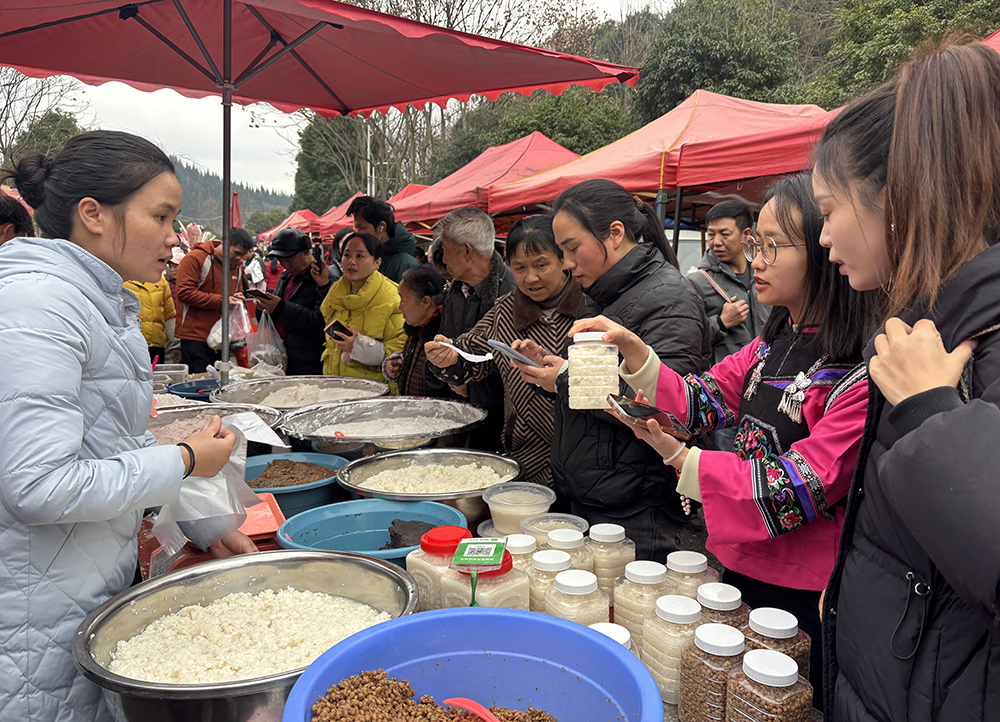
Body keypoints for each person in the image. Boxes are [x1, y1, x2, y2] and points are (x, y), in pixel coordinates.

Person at [575, 175, 874, 694]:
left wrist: (683, 461)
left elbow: (801, 485)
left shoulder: (859, 371)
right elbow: (702, 399)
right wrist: (634, 350)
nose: (756, 261)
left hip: (805, 587)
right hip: (739, 563)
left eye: (772, 246)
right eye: (756, 243)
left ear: (824, 249)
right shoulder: (769, 346)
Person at [0, 130, 254, 722]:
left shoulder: (95, 301)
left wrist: (205, 521)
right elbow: (38, 485)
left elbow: (113, 443)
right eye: (160, 216)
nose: (173, 237)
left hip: (81, 586)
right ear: (93, 214)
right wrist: (185, 461)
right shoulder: (38, 305)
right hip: (34, 611)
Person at [811, 41, 1000, 721]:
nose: (822, 239)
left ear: (895, 197)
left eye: (827, 210)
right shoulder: (924, 333)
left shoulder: (960, 353)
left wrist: (932, 416)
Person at [511, 179, 711, 561]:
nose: (567, 264)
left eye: (572, 248)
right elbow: (600, 382)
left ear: (615, 234)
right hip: (597, 493)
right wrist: (554, 371)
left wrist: (566, 379)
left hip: (637, 504)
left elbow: (670, 412)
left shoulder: (670, 299)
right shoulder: (604, 294)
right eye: (562, 251)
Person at [426, 216, 583, 487]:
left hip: (584, 455)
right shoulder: (505, 310)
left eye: (541, 265)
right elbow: (469, 352)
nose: (530, 277)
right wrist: (448, 356)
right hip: (525, 453)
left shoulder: (592, 307)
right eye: (520, 267)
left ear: (563, 260)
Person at [428, 207, 516, 452]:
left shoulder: (512, 294)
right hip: (460, 418)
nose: (444, 259)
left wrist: (471, 387)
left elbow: (514, 368)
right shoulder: (457, 290)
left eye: (445, 249)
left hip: (499, 430)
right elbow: (447, 343)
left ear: (466, 250)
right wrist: (441, 363)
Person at [689, 200, 771, 450]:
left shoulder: (764, 274)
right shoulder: (698, 283)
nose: (716, 242)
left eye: (724, 234)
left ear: (746, 235)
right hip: (728, 394)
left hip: (766, 391)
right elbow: (688, 338)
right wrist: (721, 323)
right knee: (729, 459)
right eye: (711, 234)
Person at [316, 232, 406, 384]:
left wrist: (358, 347)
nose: (351, 261)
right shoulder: (336, 291)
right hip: (336, 383)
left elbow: (400, 349)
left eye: (360, 256)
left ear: (377, 262)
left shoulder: (392, 297)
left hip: (373, 388)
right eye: (347, 255)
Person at [250, 227, 332, 376]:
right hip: (285, 361)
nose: (286, 266)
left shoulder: (324, 279)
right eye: (281, 261)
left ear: (306, 253)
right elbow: (275, 315)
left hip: (311, 366)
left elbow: (320, 323)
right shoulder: (285, 277)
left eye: (289, 260)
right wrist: (263, 307)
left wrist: (280, 307)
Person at [175, 226, 252, 373]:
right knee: (198, 380)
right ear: (225, 243)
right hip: (196, 336)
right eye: (236, 253)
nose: (239, 258)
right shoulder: (196, 258)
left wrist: (238, 297)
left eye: (242, 255)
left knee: (220, 380)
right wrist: (222, 301)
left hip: (222, 338)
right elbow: (184, 293)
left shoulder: (236, 266)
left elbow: (237, 291)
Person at [384, 265, 450, 396]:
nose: (400, 307)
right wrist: (397, 365)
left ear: (425, 302)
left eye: (403, 300)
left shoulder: (442, 338)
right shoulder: (416, 329)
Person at [347, 196, 420, 283]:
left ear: (382, 227)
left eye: (362, 228)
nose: (358, 234)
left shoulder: (406, 265)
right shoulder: (367, 258)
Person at [124, 273, 177, 364]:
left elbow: (169, 316)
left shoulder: (160, 281)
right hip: (129, 346)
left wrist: (175, 345)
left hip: (156, 345)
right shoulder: (122, 280)